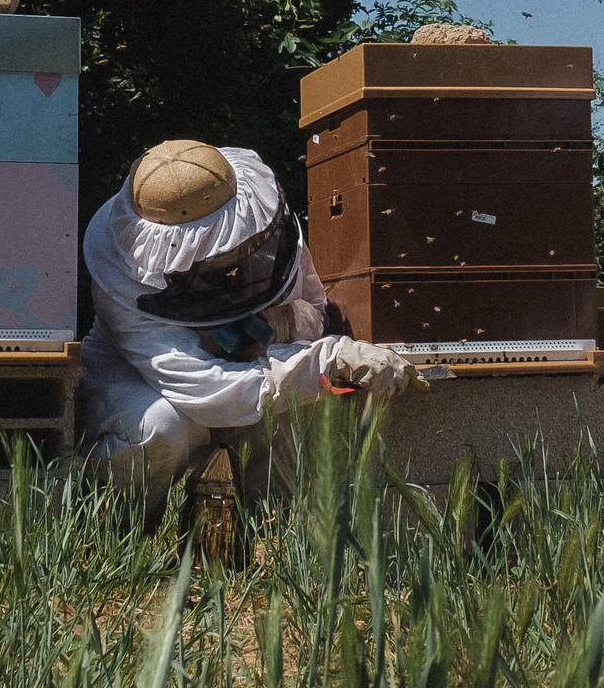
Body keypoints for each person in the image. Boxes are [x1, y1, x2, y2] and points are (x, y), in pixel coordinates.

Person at [80, 139, 417, 493]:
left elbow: (314, 309)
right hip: (147, 381)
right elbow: (206, 390)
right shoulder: (124, 284)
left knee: (297, 412)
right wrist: (324, 360)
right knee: (160, 429)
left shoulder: (261, 227)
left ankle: (269, 536)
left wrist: (288, 323)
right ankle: (124, 534)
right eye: (217, 251)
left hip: (247, 375)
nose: (239, 254)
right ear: (175, 249)